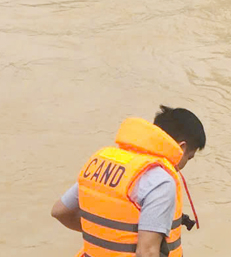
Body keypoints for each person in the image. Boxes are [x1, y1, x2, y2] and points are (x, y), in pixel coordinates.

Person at [51, 106, 206, 257]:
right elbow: (147, 252)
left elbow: (60, 211)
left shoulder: (105, 162)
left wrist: (106, 236)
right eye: (189, 157)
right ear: (182, 148)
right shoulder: (161, 180)